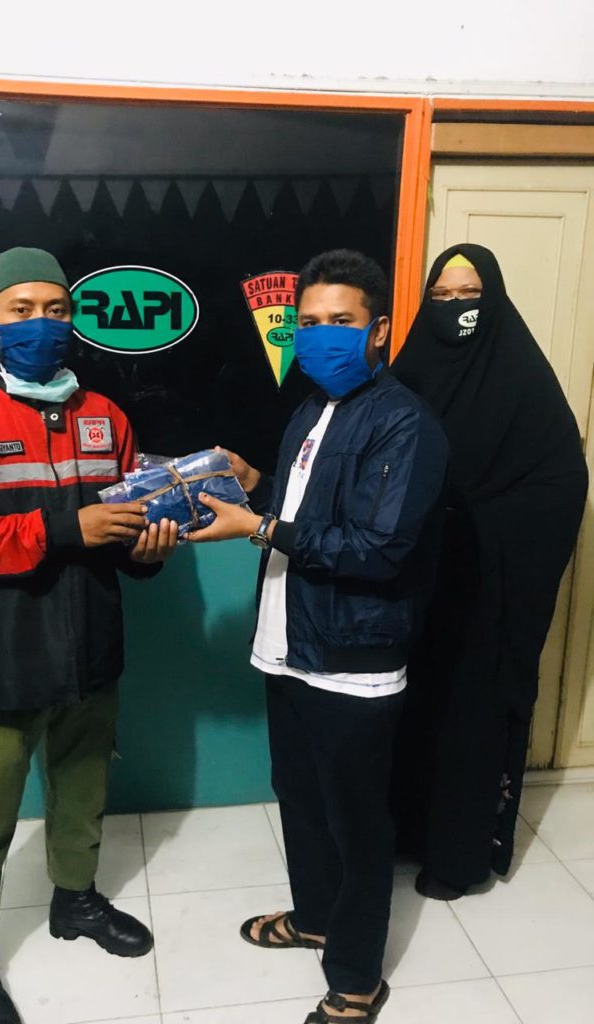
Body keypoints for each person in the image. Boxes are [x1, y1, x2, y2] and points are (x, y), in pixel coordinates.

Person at [0, 247, 178, 1024]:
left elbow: (121, 533)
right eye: (21, 310)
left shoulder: (108, 417)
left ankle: (75, 901)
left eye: (56, 310)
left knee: (82, 790)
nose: (41, 324)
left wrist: (147, 550)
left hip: (90, 653)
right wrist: (68, 527)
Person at [190, 249, 449, 1023]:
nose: (321, 336)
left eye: (341, 321)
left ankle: (357, 979)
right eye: (308, 323)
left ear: (380, 330)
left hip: (353, 662)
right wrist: (256, 485)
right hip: (290, 645)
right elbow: (311, 515)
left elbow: (377, 550)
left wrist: (256, 526)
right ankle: (314, 918)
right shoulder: (310, 411)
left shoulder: (406, 424)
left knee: (356, 823)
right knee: (300, 798)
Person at [390, 243, 588, 899]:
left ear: (493, 300)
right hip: (411, 584)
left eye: (468, 295)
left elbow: (562, 483)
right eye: (441, 297)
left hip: (484, 591)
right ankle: (401, 833)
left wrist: (474, 525)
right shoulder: (408, 375)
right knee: (404, 709)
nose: (453, 308)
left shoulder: (522, 379)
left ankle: (457, 857)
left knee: (468, 716)